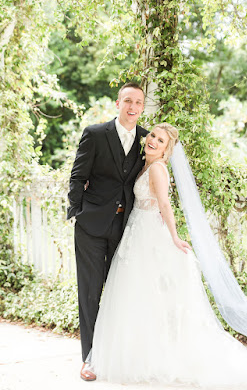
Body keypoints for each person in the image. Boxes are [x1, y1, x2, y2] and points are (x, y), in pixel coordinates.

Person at [88, 123, 247, 388]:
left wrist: (173, 237)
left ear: (166, 150)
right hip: (136, 234)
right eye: (152, 135)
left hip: (149, 235)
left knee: (152, 297)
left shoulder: (158, 169)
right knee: (136, 296)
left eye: (160, 141)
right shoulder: (145, 165)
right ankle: (140, 356)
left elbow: (164, 205)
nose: (153, 141)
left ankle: (158, 359)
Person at [67, 82, 149, 381]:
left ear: (142, 106)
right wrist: (76, 212)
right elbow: (78, 177)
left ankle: (116, 353)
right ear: (118, 103)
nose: (132, 107)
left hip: (126, 228)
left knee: (119, 292)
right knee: (89, 292)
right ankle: (90, 359)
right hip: (91, 226)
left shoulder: (146, 139)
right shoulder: (95, 134)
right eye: (127, 100)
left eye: (138, 102)